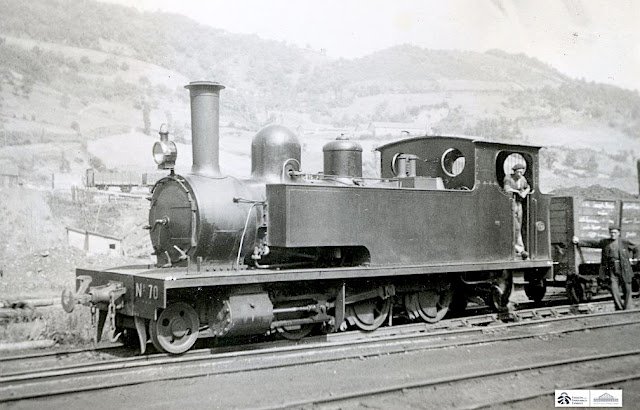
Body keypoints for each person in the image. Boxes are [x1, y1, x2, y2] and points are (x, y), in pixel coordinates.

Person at [572, 226, 638, 310]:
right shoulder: (605, 242)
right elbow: (593, 244)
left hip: (624, 267)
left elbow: (636, 247)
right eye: (611, 232)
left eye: (615, 233)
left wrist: (634, 259)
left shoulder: (624, 242)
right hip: (611, 267)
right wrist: (579, 241)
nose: (613, 234)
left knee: (627, 287)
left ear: (618, 233)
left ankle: (628, 307)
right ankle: (619, 307)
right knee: (613, 287)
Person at [503, 163, 530, 258]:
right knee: (516, 226)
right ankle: (519, 249)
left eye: (521, 172)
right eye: (518, 172)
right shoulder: (508, 178)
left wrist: (525, 193)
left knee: (519, 224)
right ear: (514, 172)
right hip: (511, 203)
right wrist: (517, 192)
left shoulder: (523, 179)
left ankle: (519, 249)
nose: (519, 174)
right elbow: (506, 189)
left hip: (519, 204)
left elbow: (528, 187)